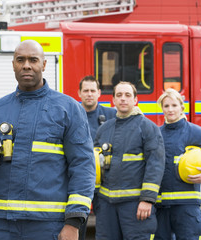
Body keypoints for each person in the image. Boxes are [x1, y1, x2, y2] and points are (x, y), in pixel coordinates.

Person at [0, 39, 95, 240]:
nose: (26, 65)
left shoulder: (68, 109)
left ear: (44, 64)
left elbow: (83, 166)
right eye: (20, 60)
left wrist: (74, 222)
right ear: (13, 64)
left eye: (33, 60)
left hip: (47, 225)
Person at [94, 81, 165, 240]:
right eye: (119, 95)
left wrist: (147, 199)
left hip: (135, 205)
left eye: (127, 95)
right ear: (113, 100)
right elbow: (95, 166)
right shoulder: (104, 129)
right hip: (107, 206)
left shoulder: (147, 127)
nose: (123, 99)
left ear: (135, 100)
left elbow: (156, 164)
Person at [154, 88, 201, 240]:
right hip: (161, 208)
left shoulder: (196, 132)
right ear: (162, 108)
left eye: (174, 105)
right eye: (166, 106)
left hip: (186, 207)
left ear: (182, 107)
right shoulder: (156, 134)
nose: (170, 109)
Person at [77, 75, 116, 240]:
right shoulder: (73, 114)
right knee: (77, 221)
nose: (89, 94)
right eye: (85, 90)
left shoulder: (112, 115)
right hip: (79, 179)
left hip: (106, 181)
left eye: (93, 90)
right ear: (79, 93)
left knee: (106, 227)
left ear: (99, 93)